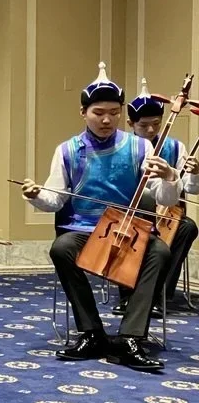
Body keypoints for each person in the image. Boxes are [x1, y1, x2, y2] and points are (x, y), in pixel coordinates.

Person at [22, 63, 179, 371]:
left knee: (159, 251)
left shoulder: (140, 146)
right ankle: (91, 331)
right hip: (84, 228)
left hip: (130, 228)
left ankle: (129, 337)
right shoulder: (67, 150)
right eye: (98, 112)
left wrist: (170, 177)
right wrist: (35, 194)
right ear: (84, 112)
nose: (106, 119)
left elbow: (164, 199)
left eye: (113, 112)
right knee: (61, 248)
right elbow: (56, 200)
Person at [112, 78, 199, 317]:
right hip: (133, 212)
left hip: (168, 214)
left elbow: (190, 190)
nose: (151, 130)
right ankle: (128, 295)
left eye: (156, 124)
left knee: (188, 227)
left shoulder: (174, 147)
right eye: (144, 125)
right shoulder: (124, 148)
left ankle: (159, 294)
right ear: (131, 123)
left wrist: (195, 173)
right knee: (131, 227)